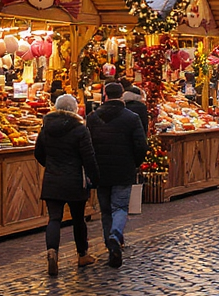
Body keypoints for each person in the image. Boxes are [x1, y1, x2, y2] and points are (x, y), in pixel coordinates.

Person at [34, 94, 100, 276]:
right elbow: (89, 156)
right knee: (78, 219)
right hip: (74, 181)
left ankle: (52, 251)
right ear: (74, 109)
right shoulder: (80, 129)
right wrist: (94, 178)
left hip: (52, 180)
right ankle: (82, 254)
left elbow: (38, 152)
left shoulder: (46, 128)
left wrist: (50, 167)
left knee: (54, 218)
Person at [86, 82, 147, 268]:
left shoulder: (93, 118)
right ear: (122, 95)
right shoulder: (131, 118)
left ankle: (110, 245)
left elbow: (87, 145)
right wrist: (134, 164)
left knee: (105, 210)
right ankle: (115, 236)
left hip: (101, 170)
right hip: (123, 169)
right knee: (120, 207)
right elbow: (141, 146)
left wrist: (91, 167)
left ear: (105, 95)